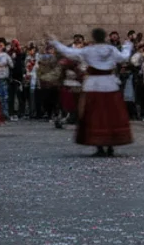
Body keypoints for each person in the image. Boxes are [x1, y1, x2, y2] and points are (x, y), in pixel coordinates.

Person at [49, 29, 134, 157]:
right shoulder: (111, 50)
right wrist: (128, 45)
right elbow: (124, 57)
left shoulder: (89, 50)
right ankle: (110, 145)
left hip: (94, 85)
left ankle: (99, 146)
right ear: (105, 36)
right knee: (111, 115)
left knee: (95, 115)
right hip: (110, 84)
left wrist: (55, 42)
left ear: (93, 37)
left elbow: (69, 52)